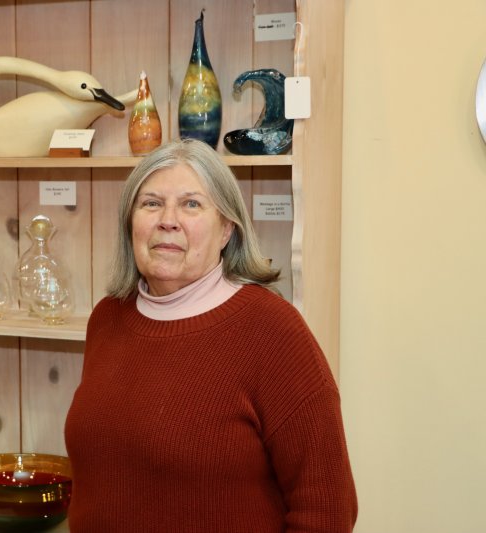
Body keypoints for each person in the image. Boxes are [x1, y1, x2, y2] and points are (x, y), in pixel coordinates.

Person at [64, 139, 357, 532]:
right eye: (151, 203)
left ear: (226, 231)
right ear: (130, 224)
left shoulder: (273, 331)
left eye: (191, 204)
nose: (168, 220)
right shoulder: (107, 319)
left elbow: (327, 510)